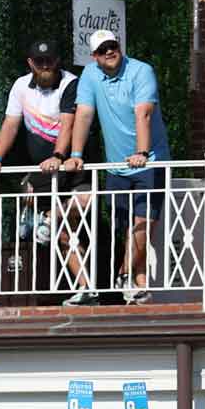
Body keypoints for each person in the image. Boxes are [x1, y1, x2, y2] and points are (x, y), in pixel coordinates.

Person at [62, 30, 170, 304]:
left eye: (113, 46)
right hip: (116, 167)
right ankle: (140, 281)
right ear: (94, 56)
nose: (109, 52)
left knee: (143, 223)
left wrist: (141, 152)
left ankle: (123, 275)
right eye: (102, 50)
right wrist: (75, 154)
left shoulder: (141, 71)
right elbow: (84, 114)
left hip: (150, 161)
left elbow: (143, 113)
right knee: (126, 229)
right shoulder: (89, 74)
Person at [0, 39, 80, 254]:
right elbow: (10, 125)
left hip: (64, 166)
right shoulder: (20, 85)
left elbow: (68, 125)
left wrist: (58, 156)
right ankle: (86, 286)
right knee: (65, 235)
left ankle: (45, 217)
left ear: (58, 60)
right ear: (30, 62)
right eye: (40, 61)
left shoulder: (70, 83)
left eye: (50, 60)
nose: (45, 65)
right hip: (40, 170)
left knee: (84, 203)